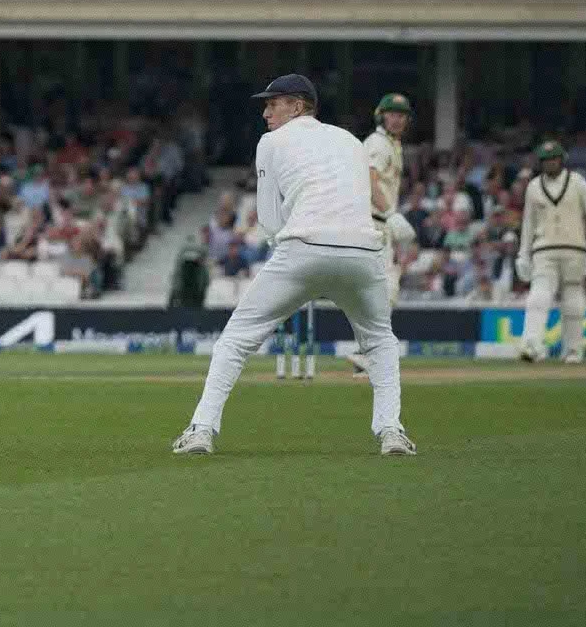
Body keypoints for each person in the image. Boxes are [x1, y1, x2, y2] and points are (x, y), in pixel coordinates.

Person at [172, 75, 412, 457]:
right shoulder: (351, 141)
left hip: (303, 248)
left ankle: (201, 429)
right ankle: (391, 431)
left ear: (297, 106)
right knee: (380, 341)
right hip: (363, 251)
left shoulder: (271, 142)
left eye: (273, 104)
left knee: (235, 339)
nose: (265, 113)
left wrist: (286, 248)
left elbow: (269, 218)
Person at [514, 140, 586, 363]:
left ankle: (573, 349)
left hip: (574, 249)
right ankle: (531, 345)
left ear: (562, 160)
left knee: (573, 298)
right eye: (545, 160)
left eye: (553, 159)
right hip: (543, 249)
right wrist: (523, 254)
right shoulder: (534, 187)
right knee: (538, 296)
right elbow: (528, 223)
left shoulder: (577, 182)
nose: (549, 163)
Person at [347, 92, 412, 378]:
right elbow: (370, 178)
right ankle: (368, 352)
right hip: (374, 222)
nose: (397, 119)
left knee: (379, 288)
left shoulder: (391, 145)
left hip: (377, 223)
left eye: (402, 115)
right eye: (392, 114)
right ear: (381, 116)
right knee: (386, 287)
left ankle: (366, 351)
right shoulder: (378, 143)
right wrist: (390, 212)